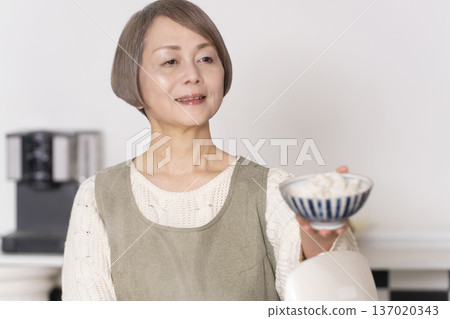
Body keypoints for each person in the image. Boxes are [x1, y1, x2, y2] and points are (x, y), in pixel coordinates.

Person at [61, 0, 359, 301]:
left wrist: (322, 246)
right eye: (170, 61)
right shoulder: (97, 198)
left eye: (205, 58)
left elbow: (341, 305)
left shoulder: (275, 192)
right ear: (133, 83)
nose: (193, 74)